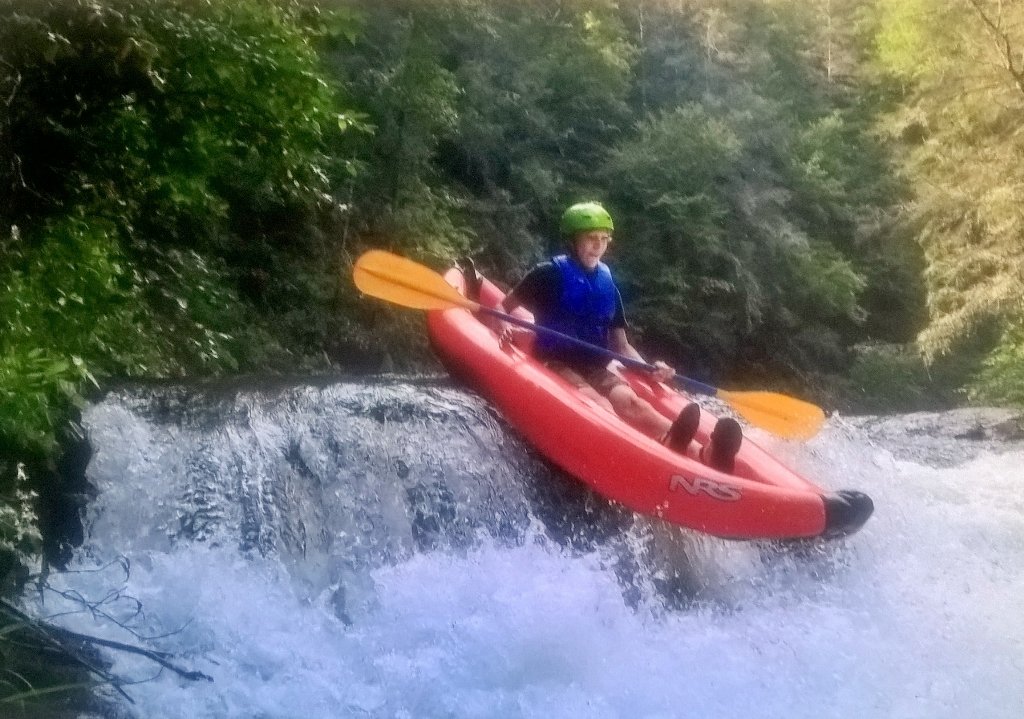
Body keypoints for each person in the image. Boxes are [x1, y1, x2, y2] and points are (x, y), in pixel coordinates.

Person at [498, 201, 742, 472]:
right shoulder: (547, 274)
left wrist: (650, 369)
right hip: (554, 362)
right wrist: (502, 328)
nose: (598, 246)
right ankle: (653, 456)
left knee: (633, 402)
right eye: (591, 239)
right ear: (572, 240)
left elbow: (622, 346)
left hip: (595, 365)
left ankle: (700, 453)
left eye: (604, 240)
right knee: (601, 404)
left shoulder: (607, 285)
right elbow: (503, 307)